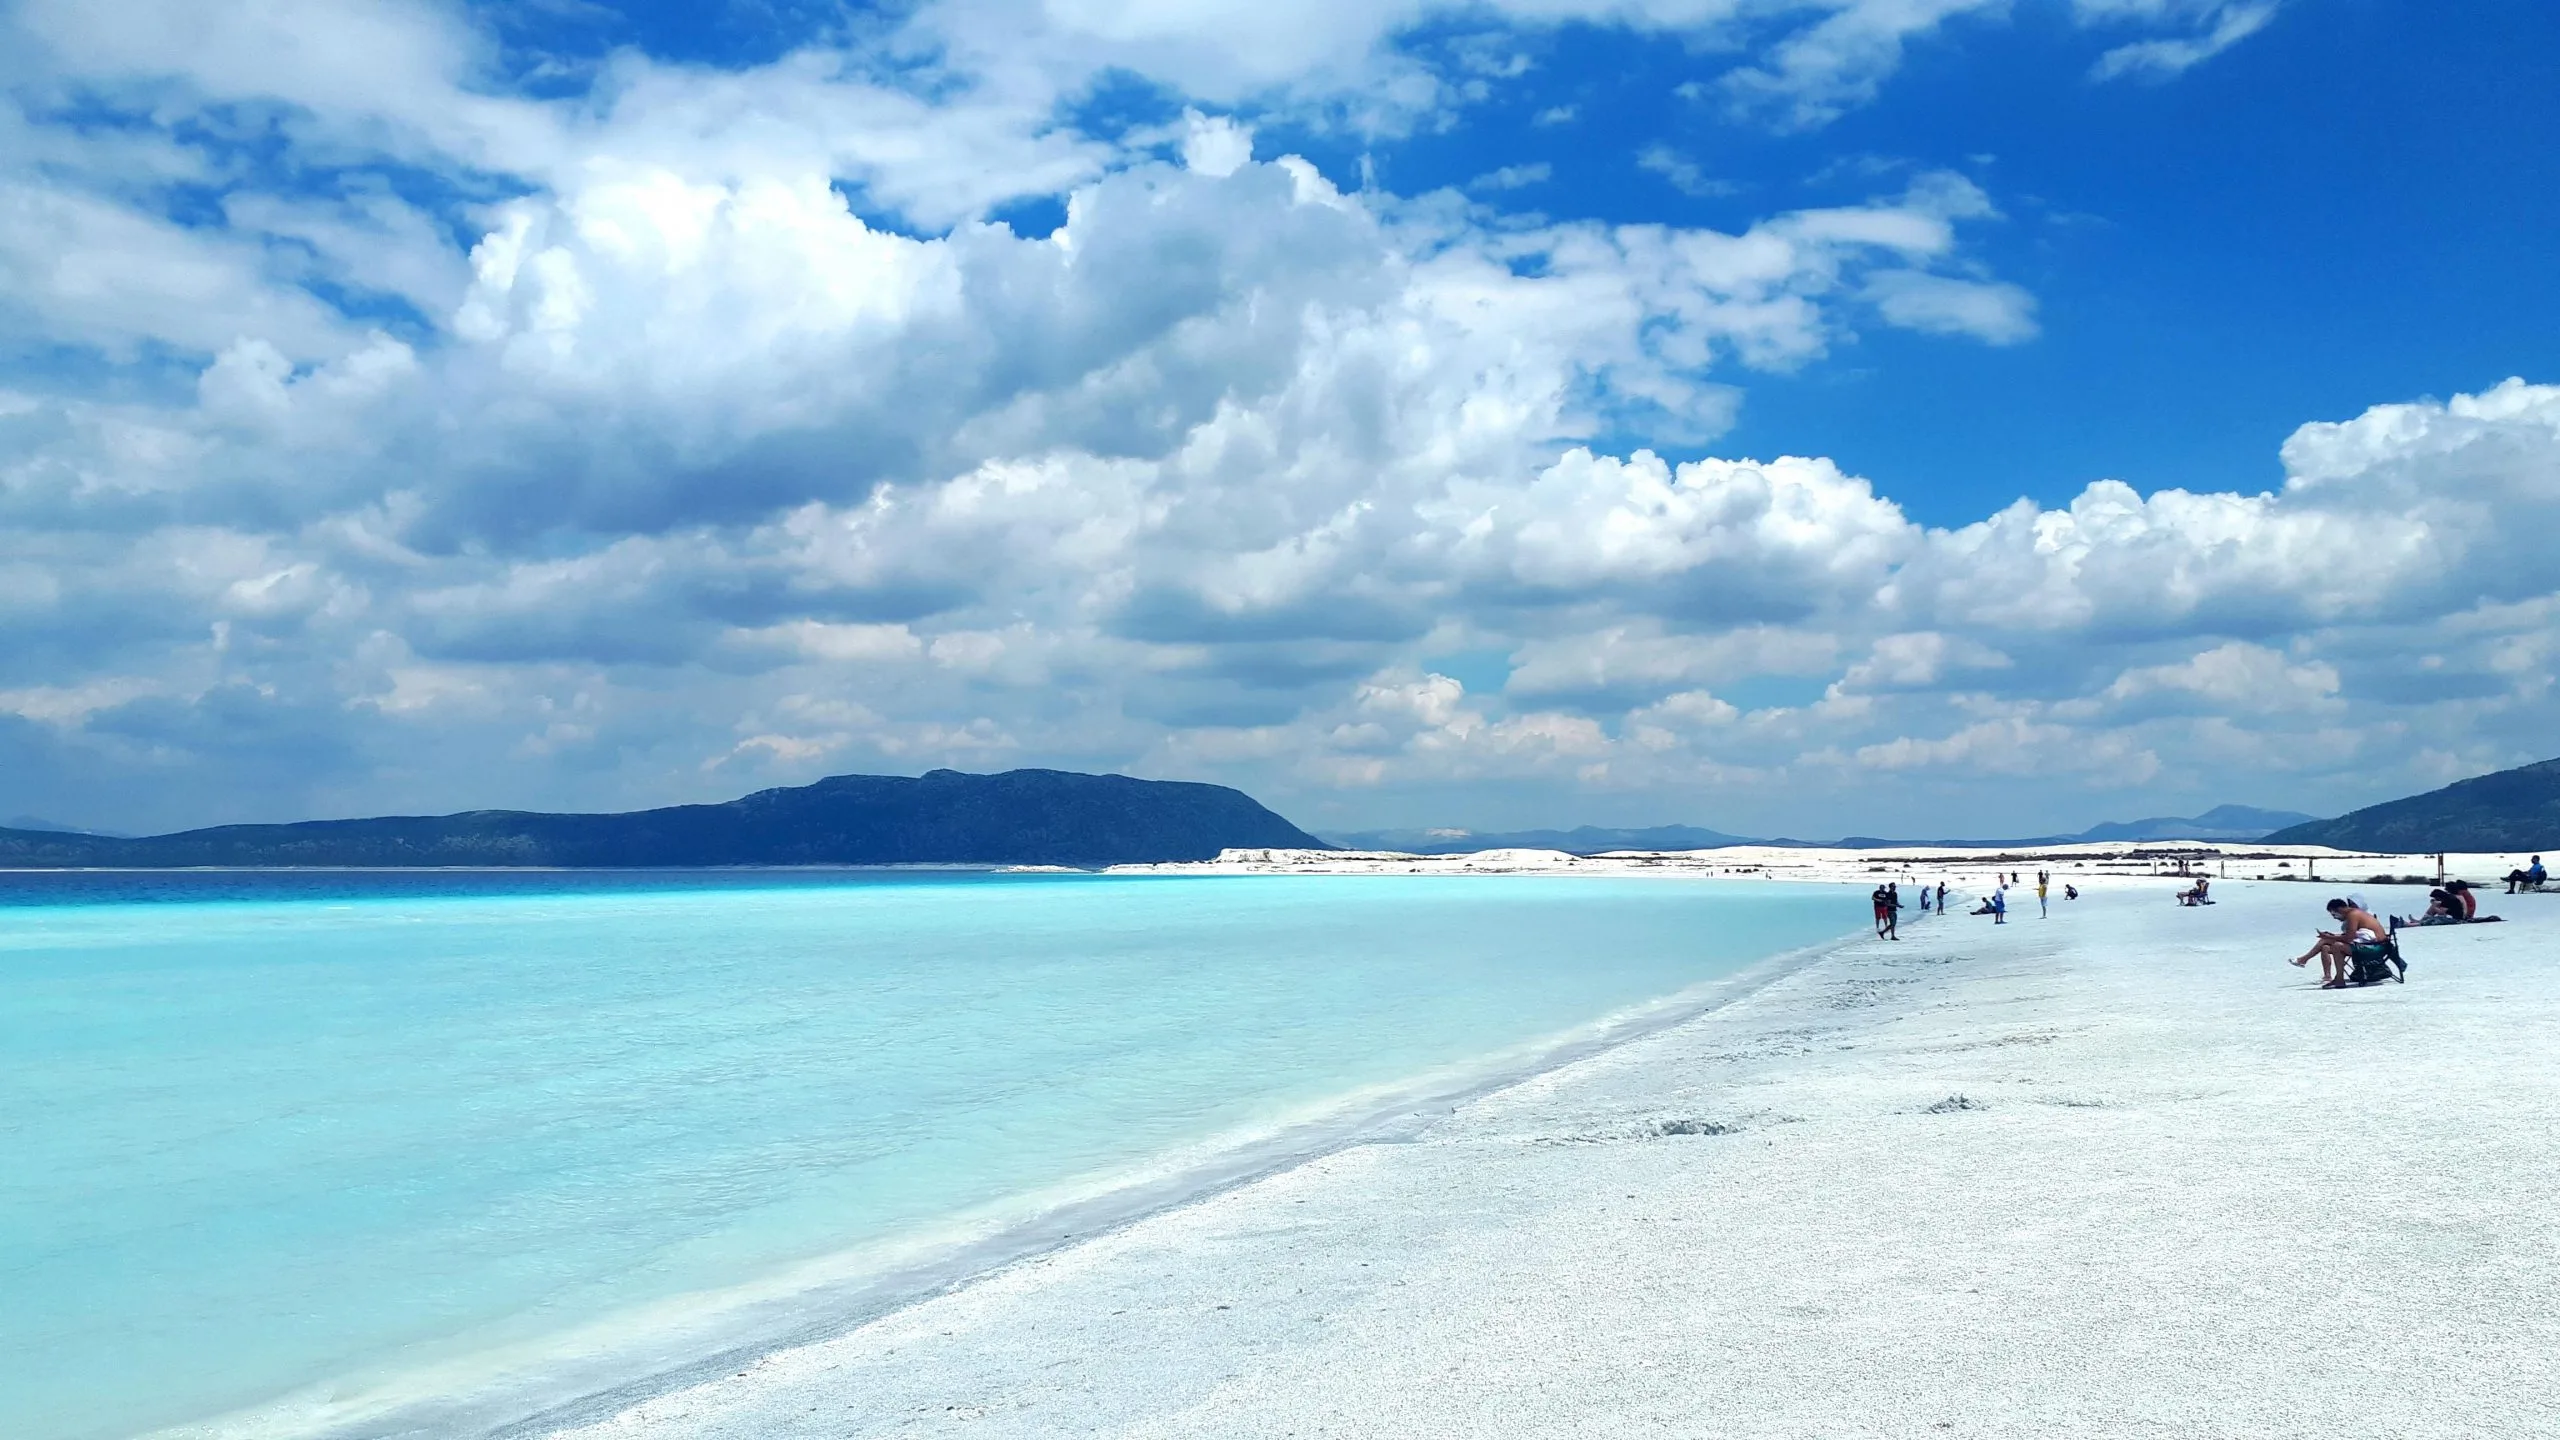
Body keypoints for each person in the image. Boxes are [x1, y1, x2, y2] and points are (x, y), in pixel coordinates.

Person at [2288, 897, 2391, 989]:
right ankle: (2331, 976)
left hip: (2376, 948)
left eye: (2334, 914)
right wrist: (2331, 937)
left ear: (2339, 910)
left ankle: (2337, 979)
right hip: (2373, 945)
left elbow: (2349, 938)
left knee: (2335, 945)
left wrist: (2330, 937)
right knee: (2325, 946)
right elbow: (2351, 936)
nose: (2334, 917)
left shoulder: (2353, 915)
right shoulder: (2355, 913)